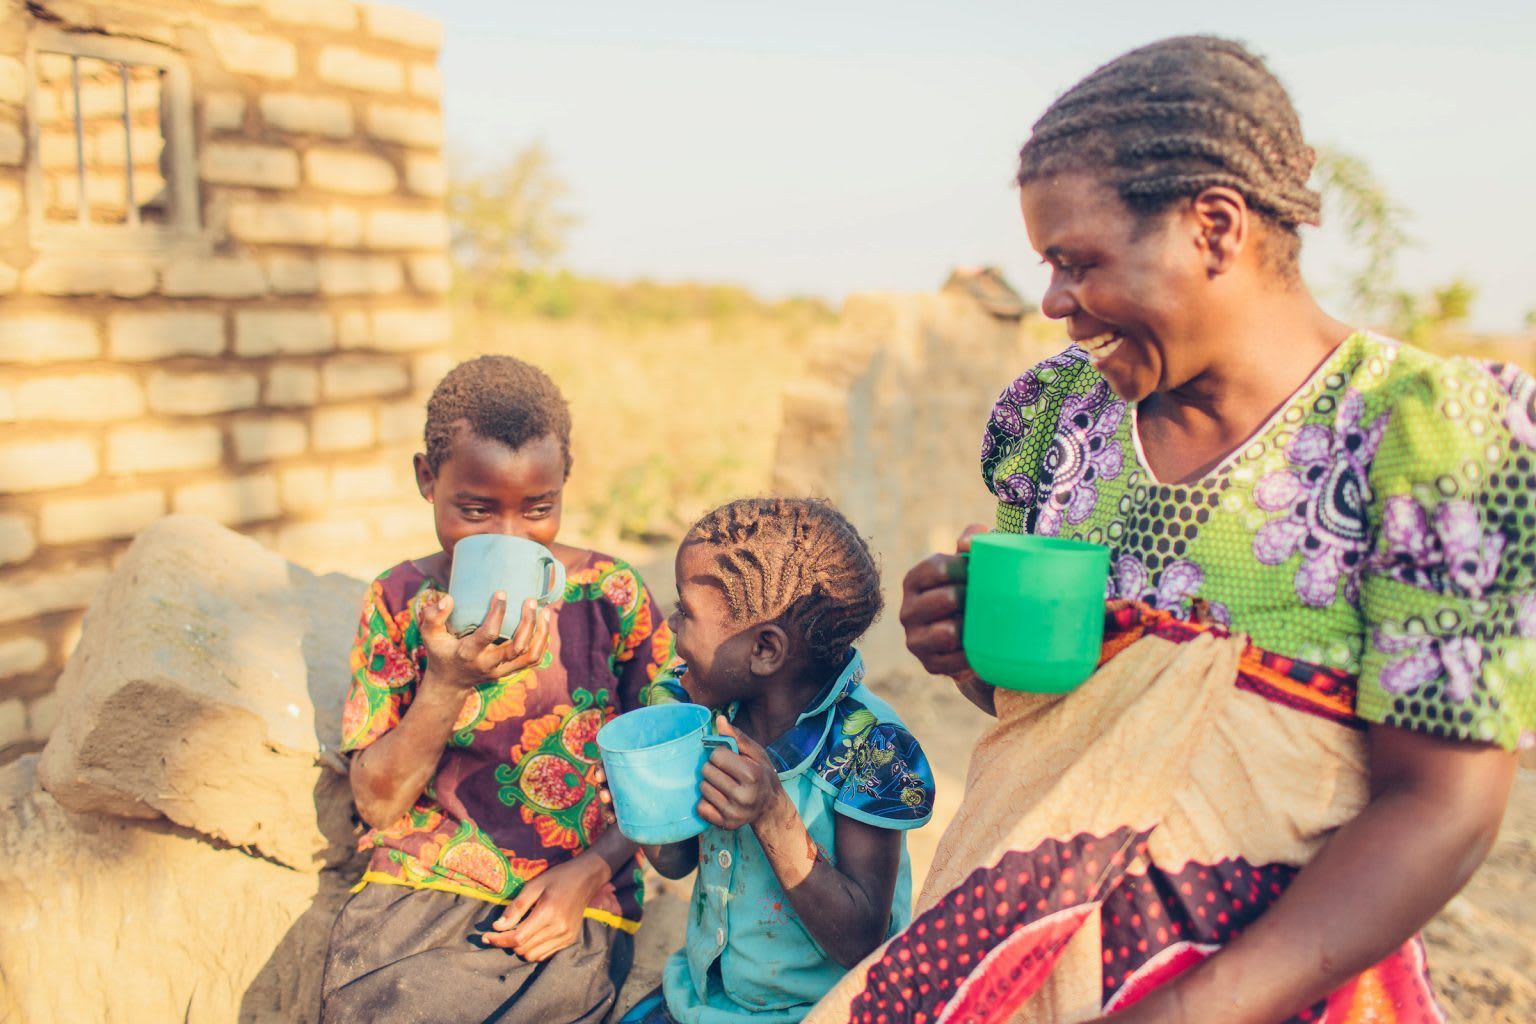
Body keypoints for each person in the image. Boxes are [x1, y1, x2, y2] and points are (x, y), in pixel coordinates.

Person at [809, 35, 1533, 1024]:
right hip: (1012, 952)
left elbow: (1443, 805)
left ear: (1216, 227)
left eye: (1079, 261)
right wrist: (969, 652)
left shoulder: (1424, 434)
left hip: (1274, 981)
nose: (1056, 303)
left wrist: (1196, 1007)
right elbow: (1078, 734)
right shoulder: (1056, 420)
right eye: (1046, 266)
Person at [320, 355, 678, 1024]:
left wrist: (593, 871)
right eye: (477, 511)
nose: (511, 538)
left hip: (572, 887)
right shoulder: (400, 601)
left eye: (538, 510)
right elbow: (377, 803)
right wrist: (446, 684)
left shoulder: (613, 597)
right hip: (422, 884)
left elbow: (664, 774)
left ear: (564, 484)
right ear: (427, 480)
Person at [620, 497, 936, 1024]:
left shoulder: (870, 749)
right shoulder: (701, 712)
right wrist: (643, 800)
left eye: (686, 611)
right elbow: (675, 863)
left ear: (764, 650)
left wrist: (772, 813)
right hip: (703, 1001)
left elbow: (860, 941)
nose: (671, 623)